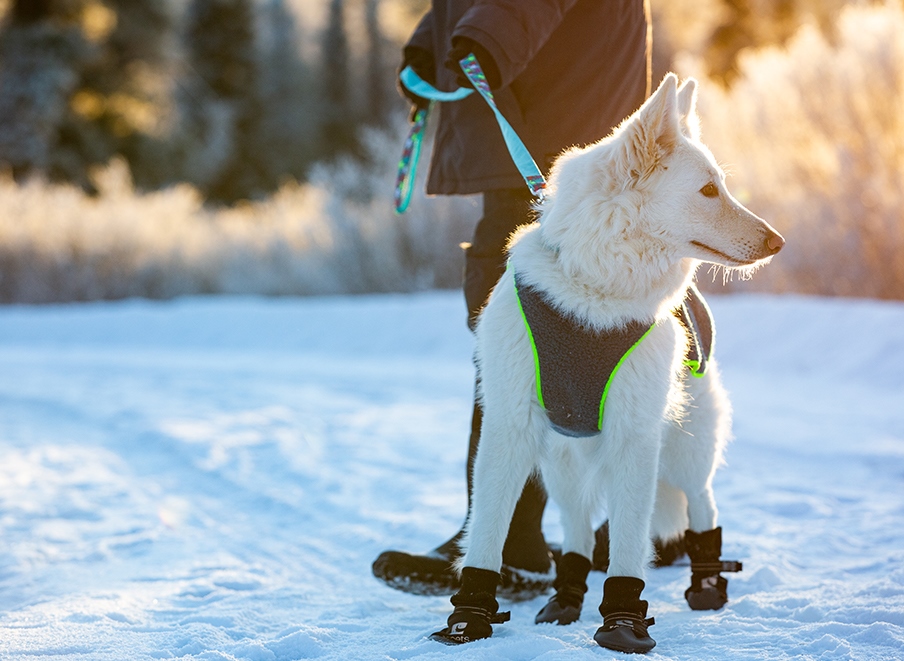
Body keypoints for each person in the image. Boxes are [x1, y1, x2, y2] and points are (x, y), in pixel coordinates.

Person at [372, 0, 671, 599]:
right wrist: (433, 44)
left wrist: (485, 41)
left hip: (548, 121)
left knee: (528, 342)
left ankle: (513, 545)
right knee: (533, 341)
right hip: (532, 111)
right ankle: (536, 536)